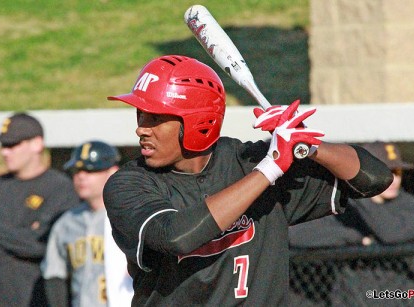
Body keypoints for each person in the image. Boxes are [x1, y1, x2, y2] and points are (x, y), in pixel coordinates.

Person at [102, 54, 393, 306]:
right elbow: (176, 236)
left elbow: (376, 179)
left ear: (198, 122)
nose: (142, 129)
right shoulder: (128, 184)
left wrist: (309, 147)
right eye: (141, 115)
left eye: (155, 118)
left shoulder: (249, 161)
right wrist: (268, 170)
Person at [288, 141, 414, 306]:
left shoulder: (413, 207)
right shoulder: (347, 206)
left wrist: (364, 196)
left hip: (399, 298)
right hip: (352, 298)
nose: (393, 179)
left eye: (396, 172)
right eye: (385, 172)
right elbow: (297, 235)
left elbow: (392, 234)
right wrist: (356, 238)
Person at [0, 112, 80, 307]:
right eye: (3, 146)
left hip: (39, 299)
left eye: (12, 145)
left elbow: (46, 246)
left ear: (37, 144)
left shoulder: (60, 188)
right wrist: (25, 239)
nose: (4, 152)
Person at [41, 140, 133, 307]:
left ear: (113, 172)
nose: (81, 176)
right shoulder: (66, 223)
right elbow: (54, 275)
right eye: (77, 170)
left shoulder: (132, 217)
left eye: (90, 170)